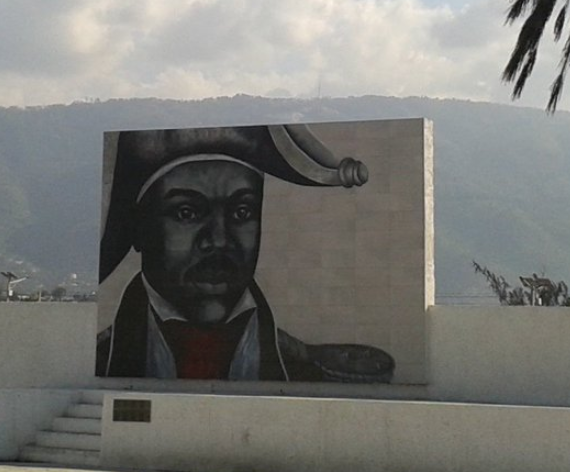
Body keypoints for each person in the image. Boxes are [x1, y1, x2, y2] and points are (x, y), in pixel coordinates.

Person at [96, 124, 395, 382]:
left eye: (242, 211)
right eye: (186, 212)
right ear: (139, 229)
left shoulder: (310, 370)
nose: (219, 239)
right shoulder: (100, 358)